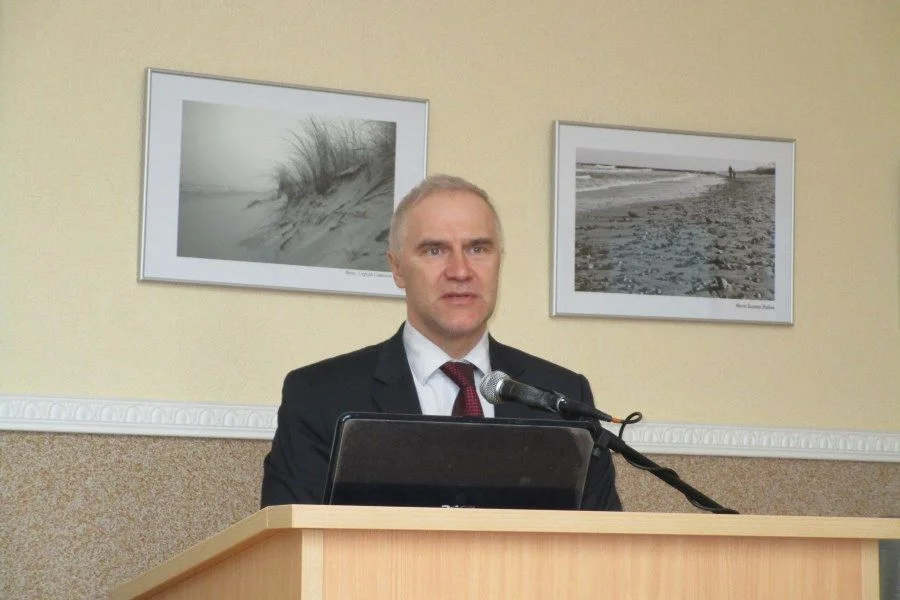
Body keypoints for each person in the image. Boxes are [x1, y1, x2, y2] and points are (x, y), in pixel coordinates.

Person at [260, 174, 622, 510]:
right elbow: (292, 544)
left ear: (499, 262)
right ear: (397, 268)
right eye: (435, 250)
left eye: (478, 249)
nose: (460, 271)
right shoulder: (319, 397)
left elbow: (603, 544)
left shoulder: (562, 397)